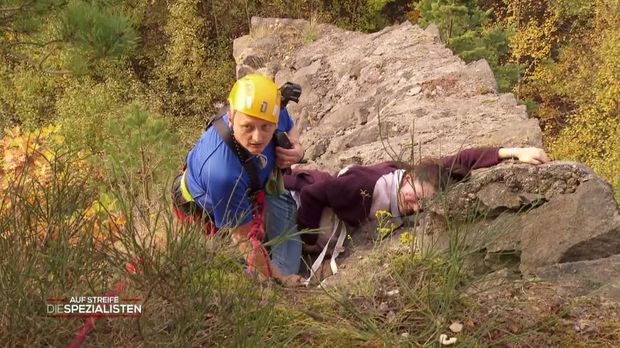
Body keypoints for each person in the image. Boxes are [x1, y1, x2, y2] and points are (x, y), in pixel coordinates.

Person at [171, 74, 305, 286]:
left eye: (266, 127)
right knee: (255, 276)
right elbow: (245, 239)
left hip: (255, 188)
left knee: (285, 240)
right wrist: (280, 278)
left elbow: (288, 125)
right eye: (247, 127)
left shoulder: (269, 109)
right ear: (231, 117)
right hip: (208, 211)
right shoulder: (222, 173)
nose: (257, 138)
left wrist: (296, 149)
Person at [284, 146, 550, 250]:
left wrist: (514, 152)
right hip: (292, 201)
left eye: (424, 204)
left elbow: (458, 160)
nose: (417, 207)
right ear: (408, 178)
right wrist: (306, 240)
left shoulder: (417, 176)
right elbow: (311, 194)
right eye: (416, 198)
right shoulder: (364, 187)